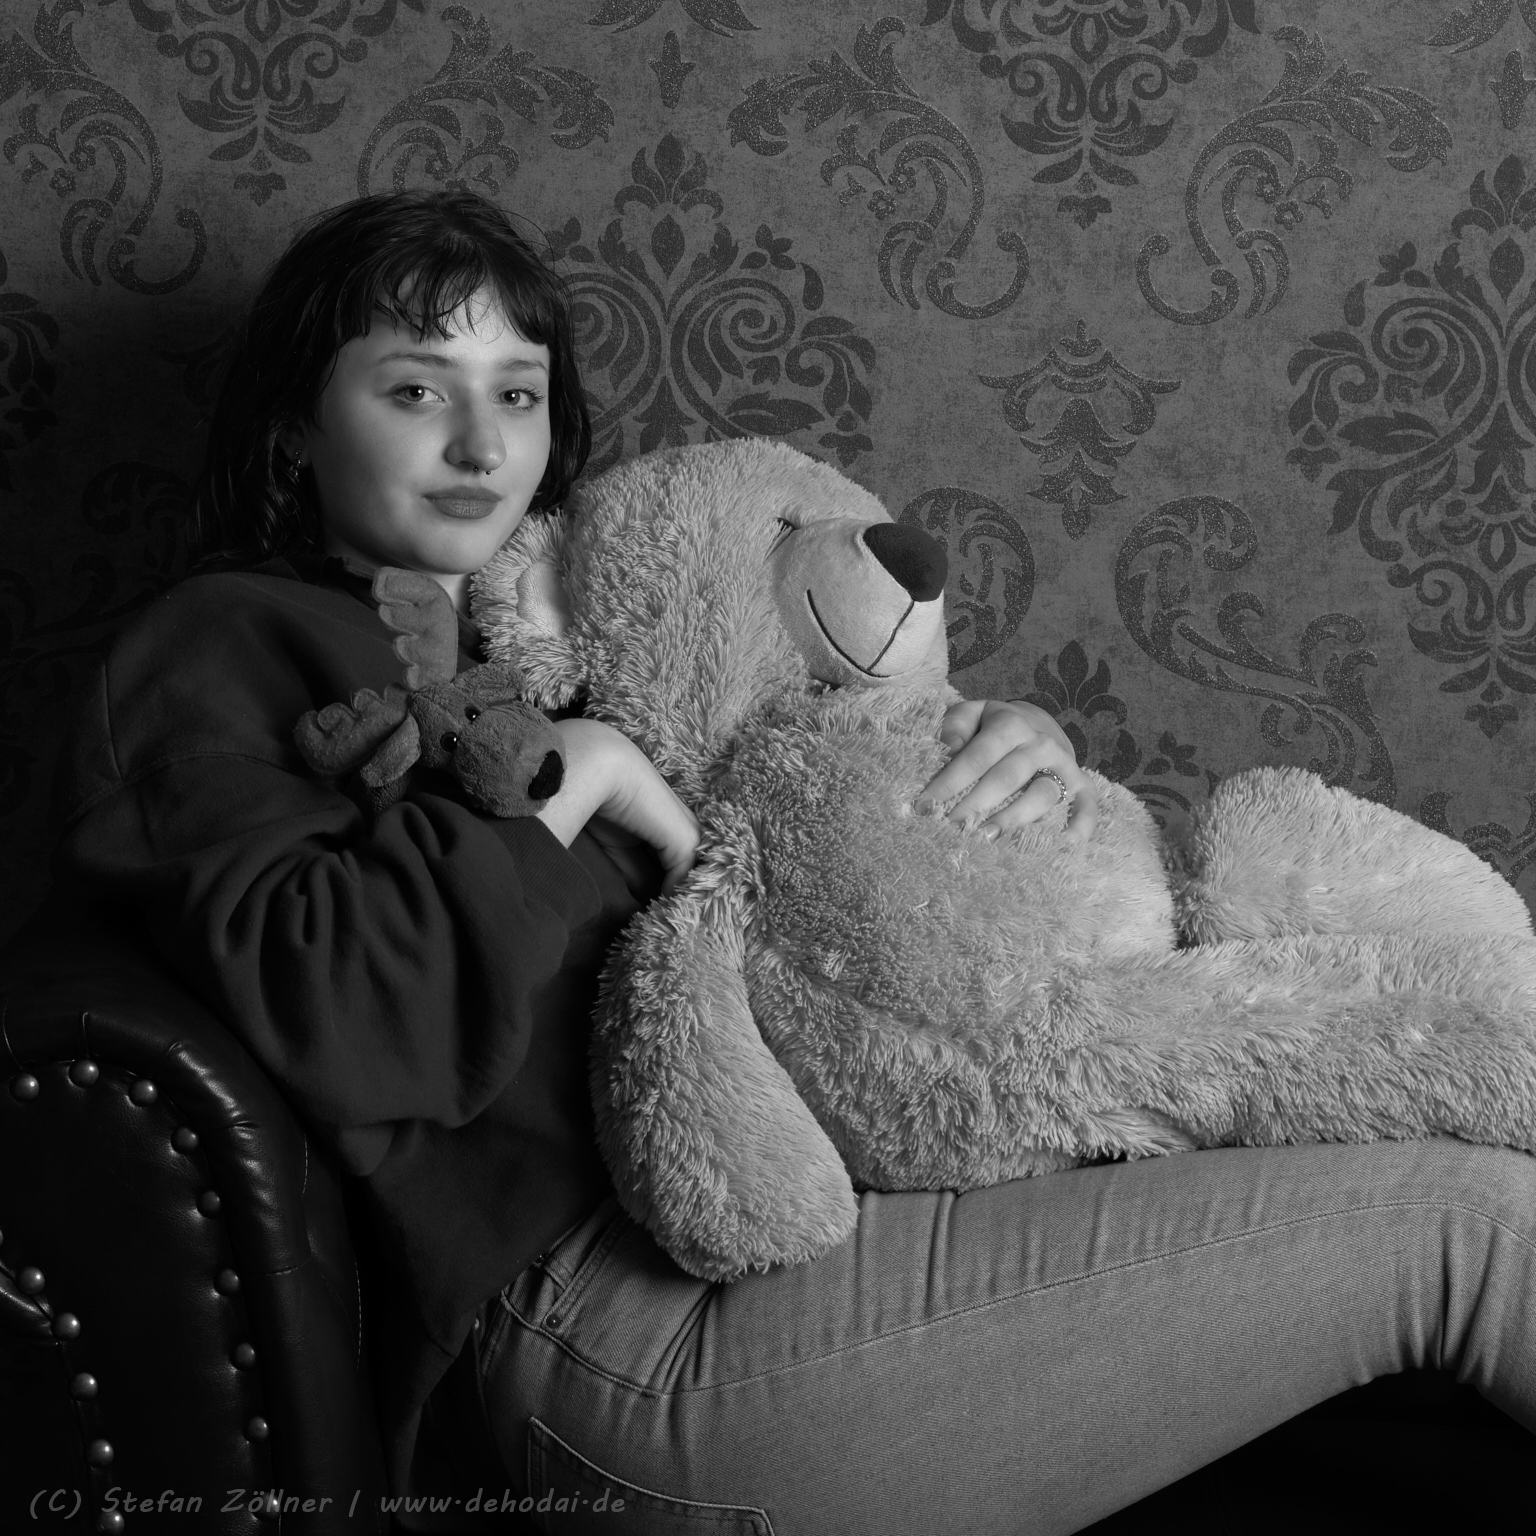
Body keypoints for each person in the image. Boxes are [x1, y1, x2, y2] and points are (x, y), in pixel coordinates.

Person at [51, 190, 1536, 1534]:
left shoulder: (551, 632)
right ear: (296, 426)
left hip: (824, 1219)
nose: (481, 445)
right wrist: (568, 788)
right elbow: (344, 1005)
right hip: (618, 1336)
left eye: (518, 392)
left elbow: (806, 840)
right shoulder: (220, 646)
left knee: (1457, 1170)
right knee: (1473, 1229)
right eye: (415, 389)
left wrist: (1001, 742)